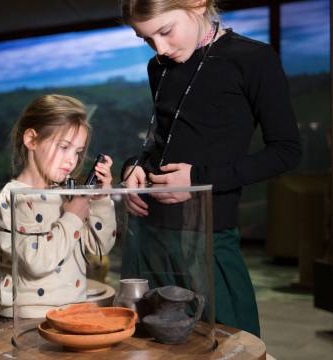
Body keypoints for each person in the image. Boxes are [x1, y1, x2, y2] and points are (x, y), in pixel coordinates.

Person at [119, 0, 301, 337]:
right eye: (146, 39)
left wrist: (198, 179)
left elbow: (287, 152)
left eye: (165, 31)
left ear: (197, 4)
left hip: (208, 239)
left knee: (230, 345)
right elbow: (159, 142)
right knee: (145, 348)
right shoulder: (158, 67)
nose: (160, 48)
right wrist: (133, 170)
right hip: (148, 238)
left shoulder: (253, 59)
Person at [0, 94, 117, 320]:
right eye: (64, 147)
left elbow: (100, 247)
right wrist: (72, 217)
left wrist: (100, 199)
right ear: (32, 140)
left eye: (77, 152)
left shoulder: (64, 194)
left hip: (71, 313)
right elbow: (37, 263)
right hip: (25, 319)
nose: (72, 161)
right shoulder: (13, 198)